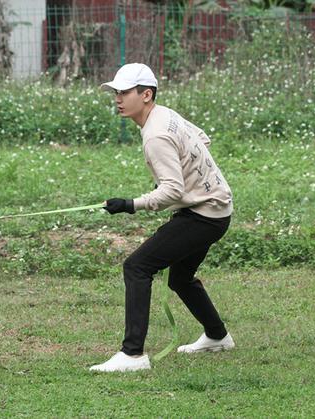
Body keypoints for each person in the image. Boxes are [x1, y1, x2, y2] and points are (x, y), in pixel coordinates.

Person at [90, 63, 235, 372]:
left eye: (125, 92)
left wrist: (131, 204)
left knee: (137, 266)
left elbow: (171, 190)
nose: (118, 98)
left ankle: (132, 356)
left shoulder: (155, 133)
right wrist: (185, 179)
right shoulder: (166, 115)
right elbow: (202, 138)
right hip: (216, 208)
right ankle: (217, 336)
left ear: (146, 94)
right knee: (180, 278)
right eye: (115, 92)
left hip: (204, 215)